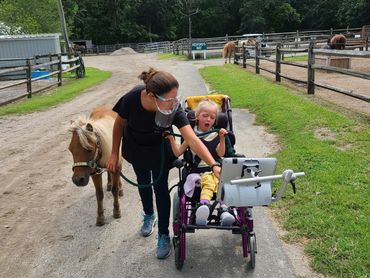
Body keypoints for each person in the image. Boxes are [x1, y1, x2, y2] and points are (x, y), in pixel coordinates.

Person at [107, 68, 221, 259]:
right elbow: (119, 124)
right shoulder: (132, 98)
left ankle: (163, 234)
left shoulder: (173, 109)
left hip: (159, 151)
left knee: (160, 189)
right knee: (143, 183)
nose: (173, 103)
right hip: (135, 147)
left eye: (175, 98)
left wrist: (213, 164)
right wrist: (112, 153)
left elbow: (192, 139)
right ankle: (149, 215)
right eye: (169, 99)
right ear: (152, 96)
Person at [166, 99, 235, 226]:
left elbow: (220, 154)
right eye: (205, 116)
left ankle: (224, 210)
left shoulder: (215, 134)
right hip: (196, 173)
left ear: (215, 120)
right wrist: (171, 139)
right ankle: (205, 207)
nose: (208, 119)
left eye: (212, 117)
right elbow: (177, 153)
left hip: (215, 171)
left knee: (225, 182)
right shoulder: (190, 136)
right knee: (209, 180)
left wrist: (222, 139)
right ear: (197, 116)